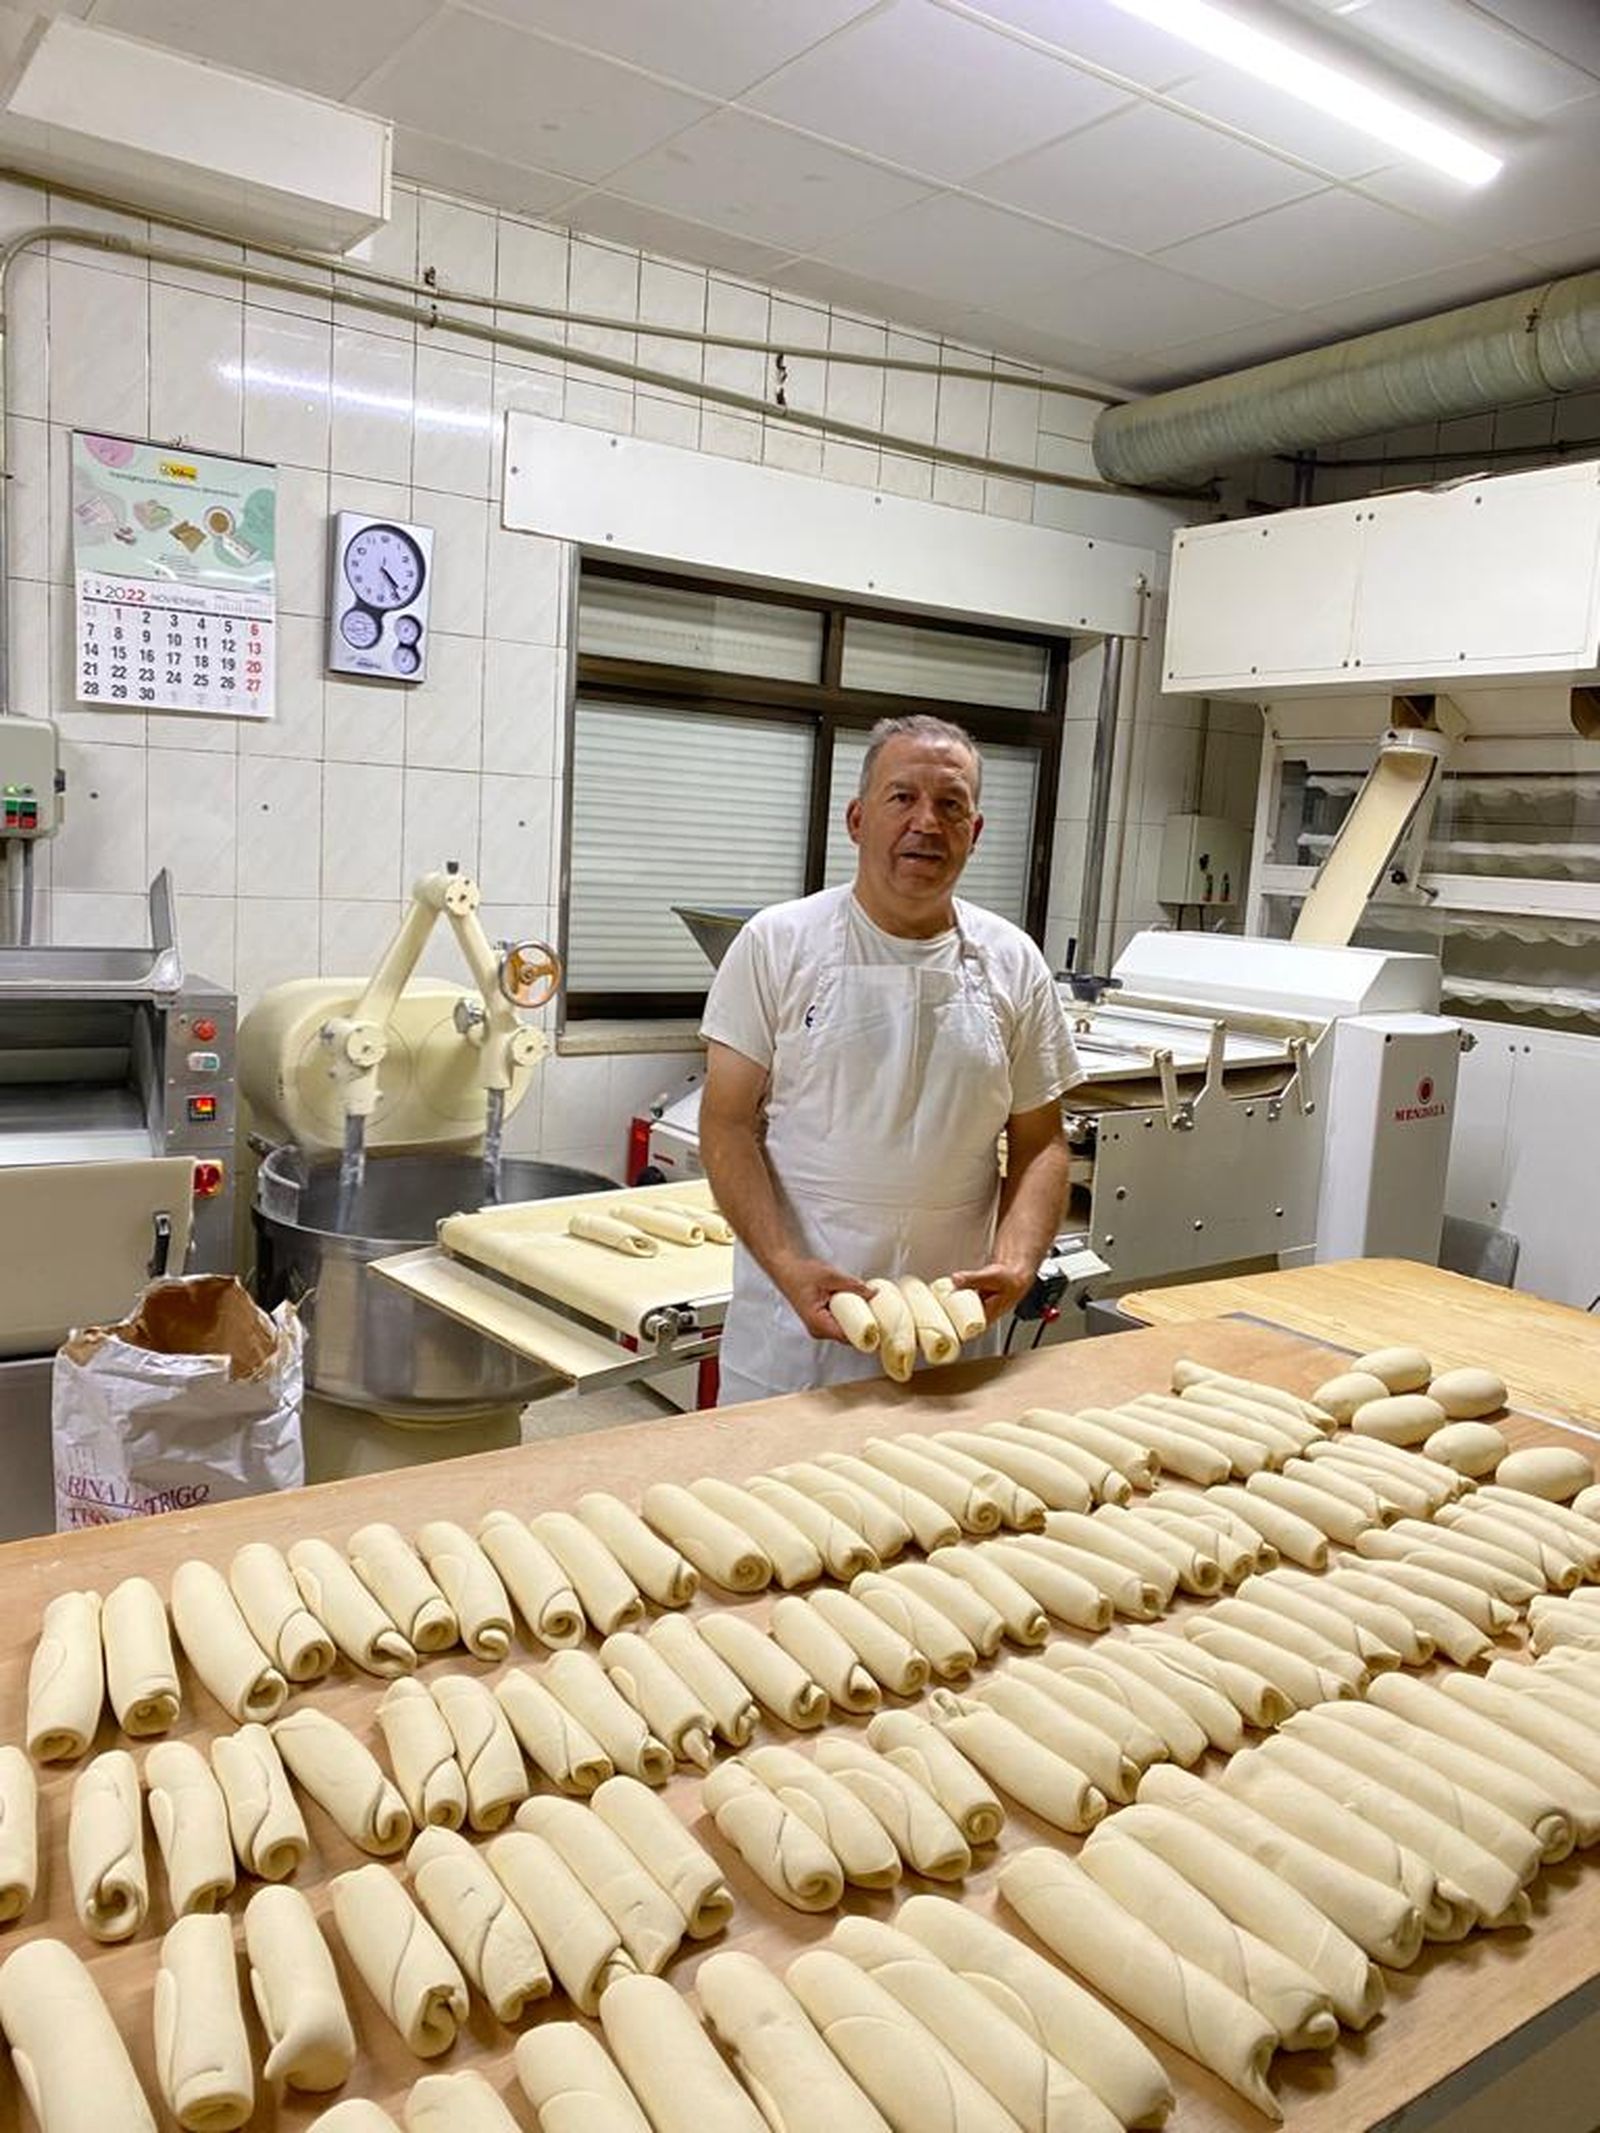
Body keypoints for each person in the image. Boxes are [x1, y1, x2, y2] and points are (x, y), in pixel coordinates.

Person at [699, 711, 1080, 1405]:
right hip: (796, 1334)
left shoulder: (1013, 961)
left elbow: (1040, 1140)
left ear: (976, 829)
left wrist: (1019, 1261)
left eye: (950, 804)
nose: (926, 822)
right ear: (856, 818)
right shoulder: (777, 945)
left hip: (951, 1327)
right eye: (902, 797)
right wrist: (787, 1266)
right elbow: (725, 1125)